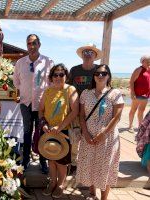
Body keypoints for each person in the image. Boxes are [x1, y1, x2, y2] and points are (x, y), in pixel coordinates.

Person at [76, 64, 124, 200]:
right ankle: (92, 194)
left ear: (108, 75)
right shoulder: (86, 93)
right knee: (90, 164)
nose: (100, 76)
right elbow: (81, 116)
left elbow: (117, 117)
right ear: (94, 76)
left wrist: (103, 134)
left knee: (105, 167)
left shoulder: (115, 94)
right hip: (88, 136)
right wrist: (85, 133)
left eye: (103, 73)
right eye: (97, 73)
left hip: (107, 138)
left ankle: (104, 198)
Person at [13, 34, 53, 174]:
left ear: (39, 45)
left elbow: (52, 83)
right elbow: (16, 82)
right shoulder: (20, 63)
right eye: (29, 43)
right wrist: (22, 94)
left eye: (34, 43)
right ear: (27, 45)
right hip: (25, 103)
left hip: (42, 105)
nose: (32, 46)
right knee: (27, 132)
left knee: (42, 133)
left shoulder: (48, 62)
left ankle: (43, 161)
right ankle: (25, 160)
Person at [39, 64, 79, 198]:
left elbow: (75, 111)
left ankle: (60, 184)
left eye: (61, 74)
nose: (58, 77)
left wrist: (60, 127)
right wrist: (43, 124)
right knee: (51, 158)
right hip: (49, 131)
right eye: (55, 74)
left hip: (64, 131)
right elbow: (40, 111)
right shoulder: (47, 91)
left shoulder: (70, 89)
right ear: (51, 77)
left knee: (61, 161)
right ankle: (52, 183)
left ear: (66, 76)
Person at [67, 43, 103, 174]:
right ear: (82, 55)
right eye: (85, 52)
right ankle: (73, 163)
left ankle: (88, 164)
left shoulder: (100, 70)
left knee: (91, 137)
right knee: (75, 137)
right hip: (76, 109)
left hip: (93, 110)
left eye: (90, 52)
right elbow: (68, 88)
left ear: (95, 55)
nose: (88, 54)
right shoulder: (74, 70)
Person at [128, 55, 150, 133]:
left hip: (146, 95)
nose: (148, 62)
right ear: (142, 61)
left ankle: (140, 126)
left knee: (141, 111)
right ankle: (130, 126)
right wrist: (132, 93)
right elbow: (131, 81)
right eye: (147, 61)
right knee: (133, 110)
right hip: (137, 94)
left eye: (149, 61)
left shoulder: (149, 69)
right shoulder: (138, 69)